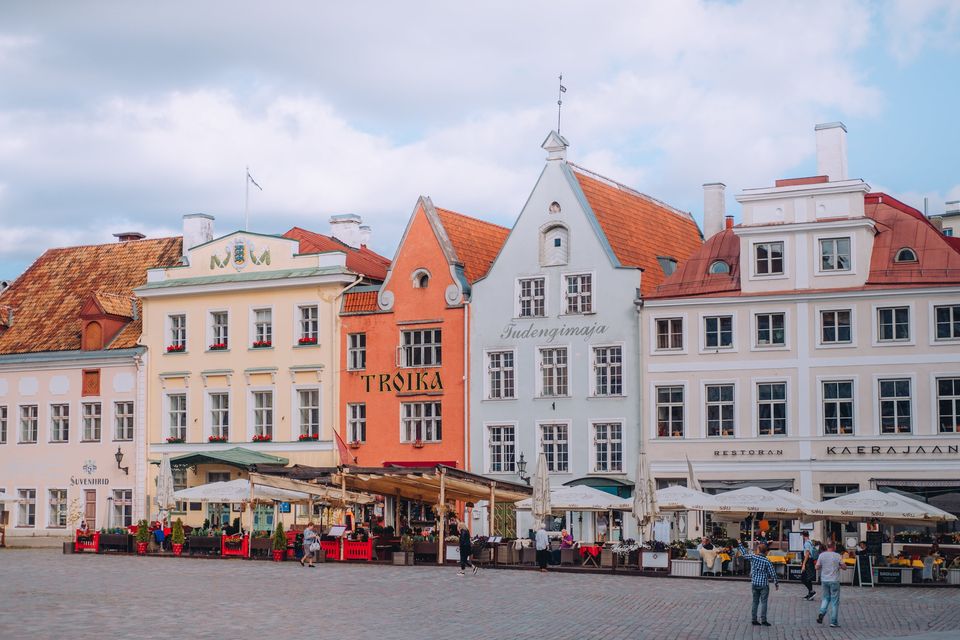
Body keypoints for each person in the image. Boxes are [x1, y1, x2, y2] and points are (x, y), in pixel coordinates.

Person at [737, 539, 779, 627]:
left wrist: (740, 544)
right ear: (765, 552)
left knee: (755, 602)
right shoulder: (767, 561)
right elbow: (773, 573)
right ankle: (763, 620)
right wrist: (776, 583)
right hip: (764, 583)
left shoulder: (754, 557)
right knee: (764, 602)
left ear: (759, 550)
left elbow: (744, 555)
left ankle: (754, 619)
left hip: (755, 582)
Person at [816, 541, 843, 628]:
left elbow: (817, 567)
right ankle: (833, 622)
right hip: (834, 580)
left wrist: (823, 566)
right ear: (834, 546)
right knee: (834, 601)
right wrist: (840, 566)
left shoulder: (822, 555)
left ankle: (821, 612)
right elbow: (844, 566)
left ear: (827, 546)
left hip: (824, 580)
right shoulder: (837, 556)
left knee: (825, 598)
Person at [799, 531, 817, 601]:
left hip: (808, 562)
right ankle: (810, 593)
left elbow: (807, 554)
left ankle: (812, 591)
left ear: (803, 536)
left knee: (803, 578)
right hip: (810, 561)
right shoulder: (810, 542)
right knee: (808, 578)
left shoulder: (806, 543)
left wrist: (803, 564)